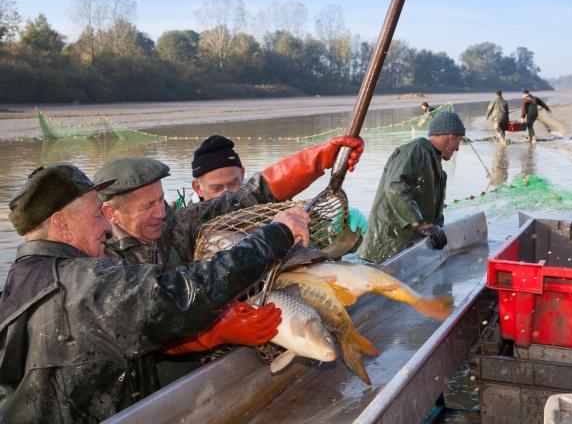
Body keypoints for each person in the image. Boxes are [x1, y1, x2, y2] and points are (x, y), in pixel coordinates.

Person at [0, 163, 308, 422]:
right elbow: (189, 291)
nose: (106, 228)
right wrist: (276, 234)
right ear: (61, 225)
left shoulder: (18, 281)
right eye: (97, 216)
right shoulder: (83, 282)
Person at [95, 135, 364, 271]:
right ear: (111, 213)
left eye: (160, 200)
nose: (159, 213)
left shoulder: (175, 224)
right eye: (146, 206)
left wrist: (318, 159)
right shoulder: (98, 258)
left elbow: (251, 196)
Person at [188, 135, 368, 235]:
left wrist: (333, 231)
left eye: (234, 183)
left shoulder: (264, 208)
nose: (227, 194)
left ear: (242, 174)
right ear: (197, 187)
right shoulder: (187, 223)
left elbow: (259, 192)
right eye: (216, 188)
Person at [358, 110, 466, 263]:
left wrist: (437, 229)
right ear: (451, 137)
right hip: (384, 250)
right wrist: (421, 224)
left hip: (405, 251)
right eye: (459, 141)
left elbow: (433, 215)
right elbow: (395, 187)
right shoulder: (415, 151)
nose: (457, 148)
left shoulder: (439, 170)